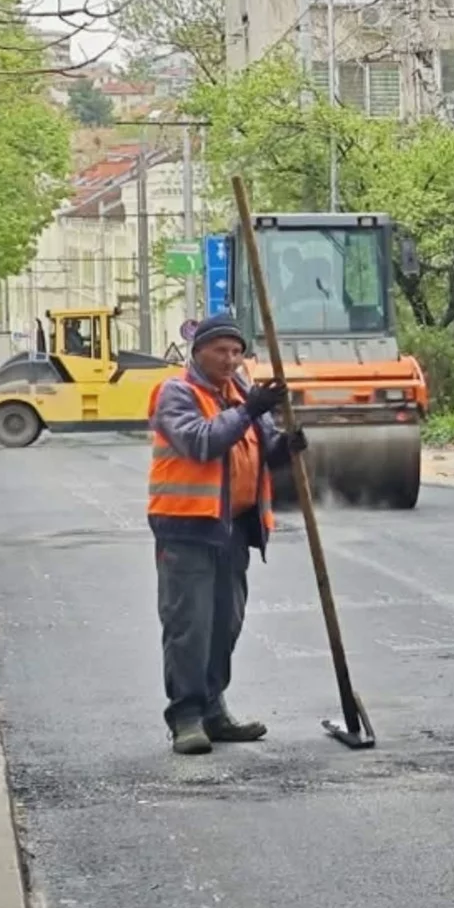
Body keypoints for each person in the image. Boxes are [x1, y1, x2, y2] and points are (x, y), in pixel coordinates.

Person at [146, 313, 307, 756]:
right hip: (186, 528)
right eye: (221, 350)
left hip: (233, 528)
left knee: (225, 625)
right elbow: (201, 442)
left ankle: (214, 710)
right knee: (189, 626)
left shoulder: (237, 392)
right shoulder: (175, 393)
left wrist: (285, 446)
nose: (230, 359)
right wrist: (250, 409)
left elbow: (260, 446)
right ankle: (186, 717)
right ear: (198, 351)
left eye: (236, 352)